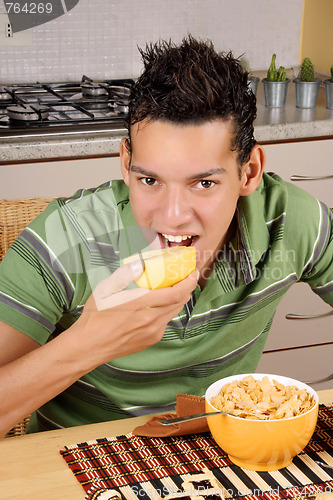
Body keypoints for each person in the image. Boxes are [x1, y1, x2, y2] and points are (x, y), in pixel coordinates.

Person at [0, 36, 332, 436]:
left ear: (249, 172)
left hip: (221, 460)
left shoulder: (290, 220)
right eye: (150, 179)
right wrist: (87, 343)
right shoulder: (64, 239)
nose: (172, 217)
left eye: (204, 183)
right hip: (77, 469)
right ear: (125, 162)